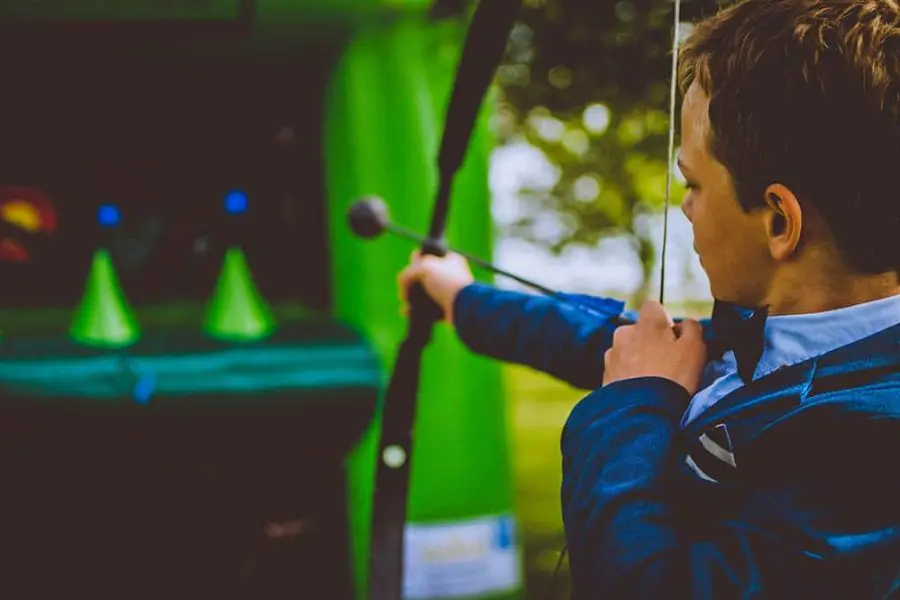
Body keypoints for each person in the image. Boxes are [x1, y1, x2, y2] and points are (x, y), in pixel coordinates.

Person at [397, 0, 900, 597]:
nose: (684, 207)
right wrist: (460, 298)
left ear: (778, 222)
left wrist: (634, 401)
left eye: (693, 183)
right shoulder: (767, 335)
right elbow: (607, 340)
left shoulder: (874, 442)